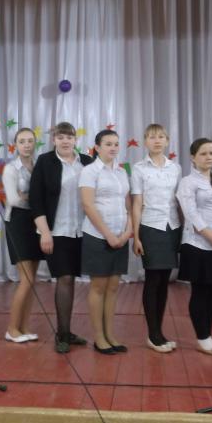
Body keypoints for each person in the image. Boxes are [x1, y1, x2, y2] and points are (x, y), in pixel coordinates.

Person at [29, 121, 93, 353]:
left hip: (83, 230)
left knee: (72, 278)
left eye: (69, 137)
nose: (65, 141)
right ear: (53, 139)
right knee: (64, 278)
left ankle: (67, 330)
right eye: (61, 137)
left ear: (76, 139)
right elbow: (35, 200)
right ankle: (62, 334)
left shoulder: (87, 162)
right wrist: (45, 232)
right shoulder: (45, 161)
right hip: (57, 232)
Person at [176, 138, 212, 356]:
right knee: (200, 291)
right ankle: (202, 338)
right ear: (193, 157)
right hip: (198, 244)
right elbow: (191, 214)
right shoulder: (187, 182)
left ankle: (208, 335)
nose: (209, 157)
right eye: (203, 153)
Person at [79, 129, 132, 355]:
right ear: (97, 147)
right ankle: (99, 337)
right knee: (99, 287)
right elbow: (88, 205)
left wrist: (128, 232)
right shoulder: (89, 171)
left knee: (113, 287)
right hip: (97, 236)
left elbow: (128, 205)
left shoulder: (122, 172)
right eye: (108, 144)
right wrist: (108, 235)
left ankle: (110, 334)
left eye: (116, 144)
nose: (113, 147)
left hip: (121, 236)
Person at [131, 124, 182, 353]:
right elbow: (137, 203)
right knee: (153, 279)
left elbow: (178, 201)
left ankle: (159, 332)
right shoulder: (139, 168)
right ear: (145, 141)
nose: (157, 141)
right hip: (150, 226)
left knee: (164, 280)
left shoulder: (176, 168)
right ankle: (152, 335)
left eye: (161, 136)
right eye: (152, 137)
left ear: (167, 140)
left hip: (172, 226)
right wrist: (136, 236)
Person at [4, 128, 44, 343]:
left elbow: (44, 195)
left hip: (35, 220)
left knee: (32, 280)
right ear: (15, 145)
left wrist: (28, 196)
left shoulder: (39, 166)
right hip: (18, 222)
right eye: (22, 141)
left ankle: (24, 326)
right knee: (26, 279)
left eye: (30, 141)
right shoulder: (11, 168)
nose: (27, 145)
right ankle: (12, 328)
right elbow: (12, 199)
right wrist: (33, 197)